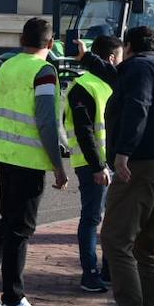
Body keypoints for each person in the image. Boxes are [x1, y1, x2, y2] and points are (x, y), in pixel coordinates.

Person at [0, 17, 70, 306]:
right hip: (28, 159)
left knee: (6, 224)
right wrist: (58, 167)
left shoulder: (9, 65)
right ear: (50, 44)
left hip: (3, 154)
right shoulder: (44, 71)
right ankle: (13, 299)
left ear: (22, 40)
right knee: (20, 229)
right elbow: (47, 121)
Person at [90, 25, 154, 306]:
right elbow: (120, 78)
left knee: (115, 240)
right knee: (146, 245)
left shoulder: (139, 68)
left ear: (128, 47)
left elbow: (137, 106)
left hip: (142, 168)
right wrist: (88, 60)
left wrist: (122, 153)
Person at [66, 36, 123, 292]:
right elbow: (84, 131)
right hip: (93, 165)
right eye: (120, 58)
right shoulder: (84, 86)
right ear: (111, 58)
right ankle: (89, 274)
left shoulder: (110, 84)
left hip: (109, 163)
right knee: (92, 217)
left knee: (111, 219)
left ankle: (108, 272)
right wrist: (99, 166)